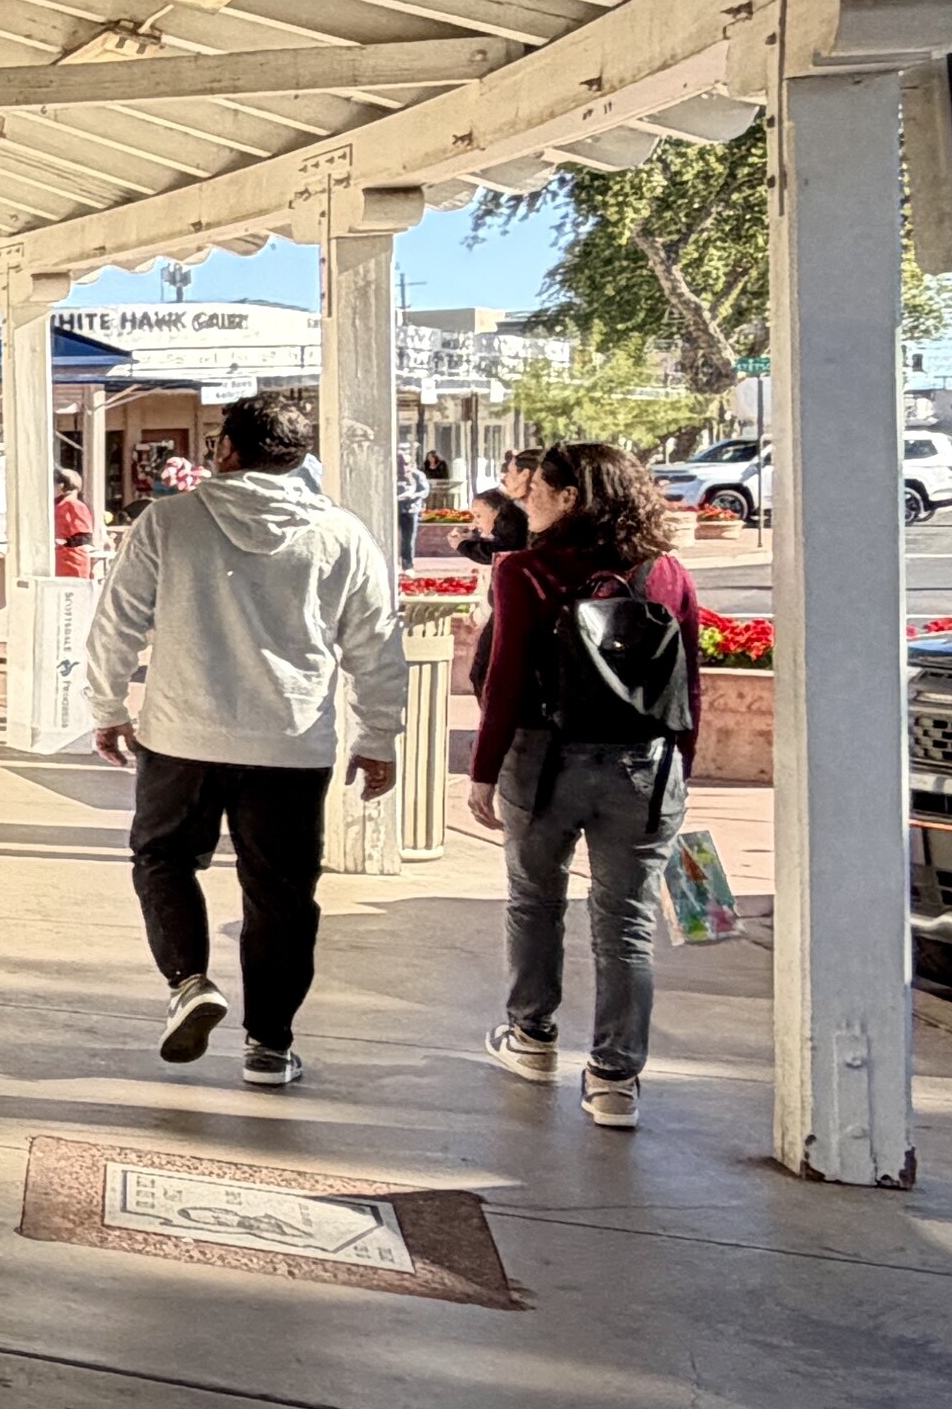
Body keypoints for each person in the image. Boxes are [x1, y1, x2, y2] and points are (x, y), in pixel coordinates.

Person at [86, 392, 405, 1090]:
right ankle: (269, 1045)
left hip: (181, 734)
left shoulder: (169, 521)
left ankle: (189, 981)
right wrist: (378, 733)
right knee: (282, 894)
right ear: (297, 456)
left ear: (226, 450)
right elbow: (376, 642)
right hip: (291, 744)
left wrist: (107, 705)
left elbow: (118, 622)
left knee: (164, 859)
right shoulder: (342, 534)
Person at [464, 439, 700, 1132]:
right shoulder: (666, 571)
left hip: (544, 762)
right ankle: (614, 1080)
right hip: (644, 766)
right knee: (625, 924)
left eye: (537, 488)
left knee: (535, 901)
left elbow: (504, 679)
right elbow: (690, 680)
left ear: (571, 498)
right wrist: (677, 764)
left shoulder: (526, 572)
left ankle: (532, 1036)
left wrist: (483, 772)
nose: (523, 498)